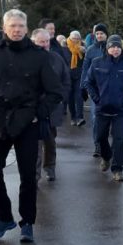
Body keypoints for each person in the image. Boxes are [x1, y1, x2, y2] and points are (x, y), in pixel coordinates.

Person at [0, 9, 63, 244]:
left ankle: (28, 222)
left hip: (27, 122)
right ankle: (4, 217)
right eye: (12, 25)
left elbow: (55, 92)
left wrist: (38, 115)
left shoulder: (39, 56)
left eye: (21, 26)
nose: (17, 30)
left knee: (28, 176)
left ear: (26, 28)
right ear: (5, 28)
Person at [85, 34, 123, 182]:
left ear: (121, 48)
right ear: (107, 48)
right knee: (100, 137)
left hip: (120, 110)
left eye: (118, 47)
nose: (115, 49)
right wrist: (96, 99)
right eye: (112, 46)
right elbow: (88, 82)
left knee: (119, 140)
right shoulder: (97, 63)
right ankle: (106, 156)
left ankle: (117, 169)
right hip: (102, 109)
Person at [30, 27, 72, 181]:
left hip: (52, 108)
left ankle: (50, 167)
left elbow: (66, 81)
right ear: (33, 42)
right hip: (33, 108)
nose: (45, 44)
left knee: (50, 141)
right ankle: (34, 175)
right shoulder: (27, 59)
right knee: (35, 144)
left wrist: (61, 98)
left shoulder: (56, 59)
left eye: (47, 41)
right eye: (42, 41)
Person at [81, 22, 109, 155]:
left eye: (101, 33)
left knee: (109, 117)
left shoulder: (112, 48)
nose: (99, 35)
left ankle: (107, 143)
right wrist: (83, 87)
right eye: (97, 33)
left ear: (106, 35)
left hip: (110, 88)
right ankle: (97, 145)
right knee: (95, 117)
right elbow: (85, 69)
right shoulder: (91, 50)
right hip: (95, 89)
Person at [66, 30, 86, 125]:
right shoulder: (65, 48)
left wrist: (84, 51)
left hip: (79, 75)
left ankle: (80, 117)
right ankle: (73, 117)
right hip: (68, 76)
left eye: (77, 38)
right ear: (70, 38)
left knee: (79, 96)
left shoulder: (83, 48)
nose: (75, 40)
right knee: (70, 97)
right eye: (74, 38)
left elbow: (86, 62)